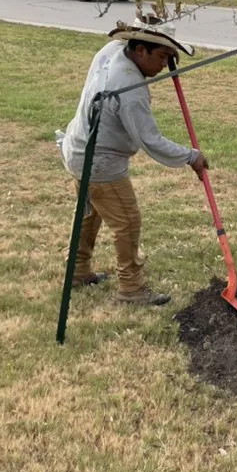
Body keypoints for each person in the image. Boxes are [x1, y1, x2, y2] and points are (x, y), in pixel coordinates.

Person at [58, 20, 209, 306]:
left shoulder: (113, 50)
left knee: (90, 214)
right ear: (139, 49)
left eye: (169, 57)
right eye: (161, 57)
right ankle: (131, 288)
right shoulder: (130, 88)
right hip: (99, 162)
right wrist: (191, 156)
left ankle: (77, 270)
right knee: (127, 222)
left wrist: (162, 45)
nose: (165, 65)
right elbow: (149, 140)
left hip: (78, 148)